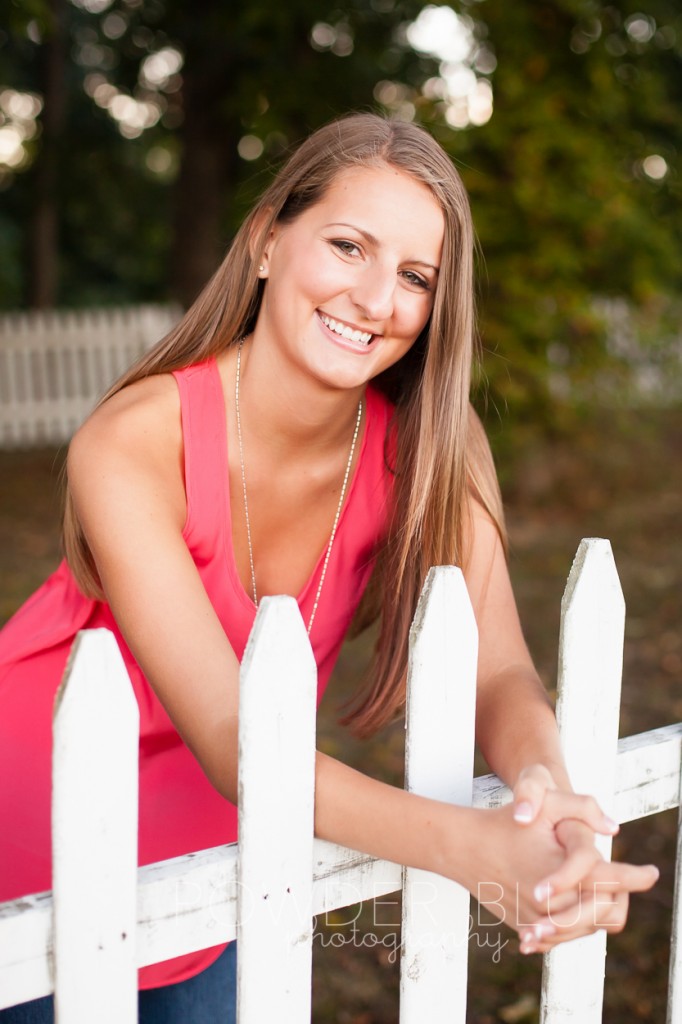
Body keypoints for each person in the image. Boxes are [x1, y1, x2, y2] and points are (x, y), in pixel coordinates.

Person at [0, 112, 658, 1022]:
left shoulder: (434, 445)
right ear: (270, 240)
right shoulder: (132, 441)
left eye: (415, 276)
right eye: (348, 245)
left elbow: (500, 668)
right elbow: (240, 741)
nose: (377, 298)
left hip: (225, 862)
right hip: (36, 850)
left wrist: (547, 793)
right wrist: (465, 848)